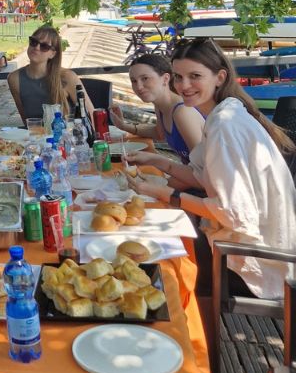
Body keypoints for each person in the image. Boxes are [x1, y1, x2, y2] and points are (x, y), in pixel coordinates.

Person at [126, 38, 296, 299]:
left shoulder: (225, 126)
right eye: (179, 77)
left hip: (259, 263)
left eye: (195, 76)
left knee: (164, 266)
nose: (184, 86)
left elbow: (232, 213)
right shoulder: (224, 113)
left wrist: (165, 194)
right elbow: (202, 177)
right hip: (251, 243)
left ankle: (196, 335)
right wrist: (157, 162)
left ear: (220, 77)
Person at [110, 53, 206, 166]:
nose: (139, 87)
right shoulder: (160, 105)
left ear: (165, 79)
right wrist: (123, 126)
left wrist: (157, 162)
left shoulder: (182, 112)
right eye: (134, 81)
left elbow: (203, 167)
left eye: (145, 78)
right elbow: (160, 134)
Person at [7, 24, 94, 125]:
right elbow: (27, 122)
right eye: (33, 42)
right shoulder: (14, 79)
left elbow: (92, 117)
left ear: (52, 54)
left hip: (69, 137)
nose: (37, 47)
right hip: (36, 138)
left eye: (44, 46)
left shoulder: (68, 77)